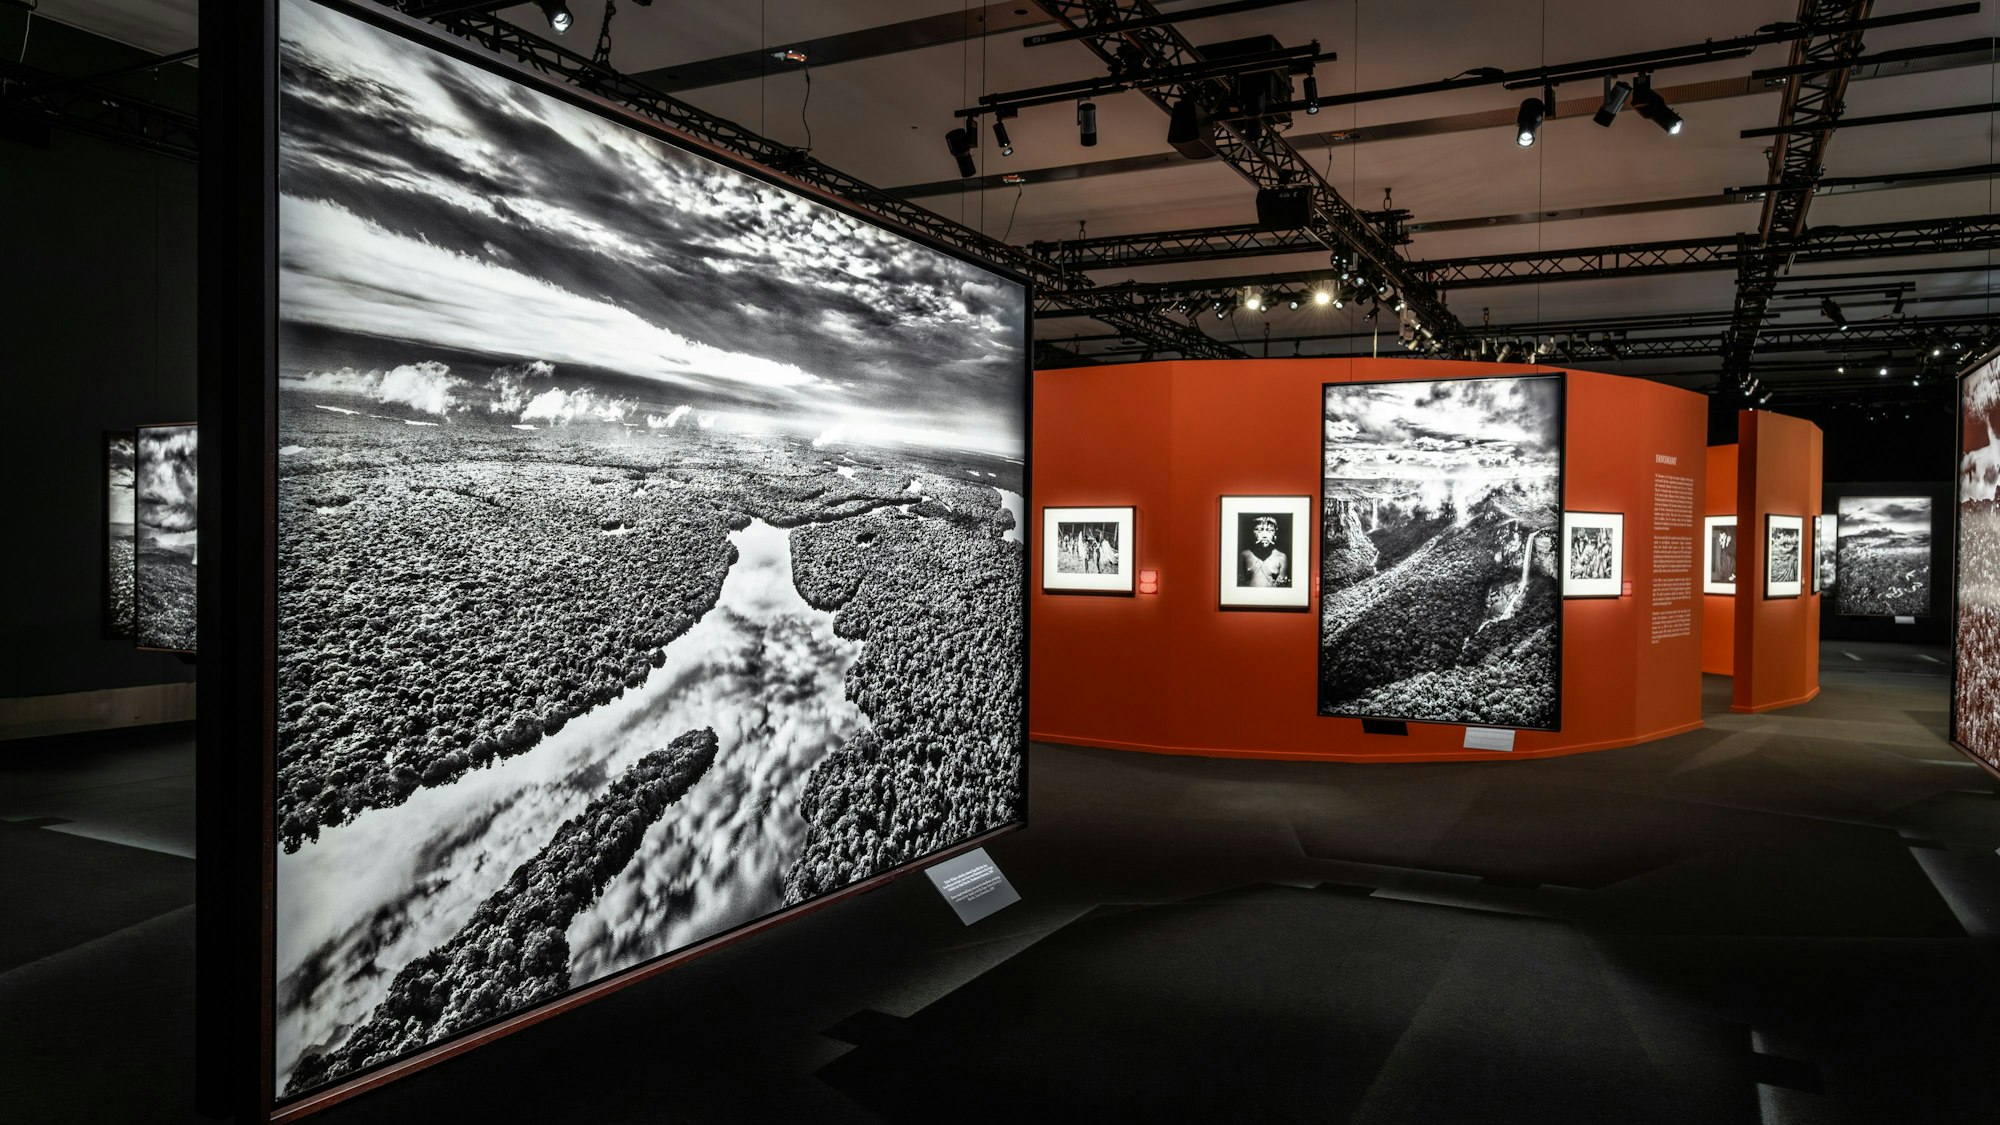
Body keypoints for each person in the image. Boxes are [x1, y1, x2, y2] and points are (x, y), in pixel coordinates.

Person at [1238, 515, 1290, 587]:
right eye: (1259, 530)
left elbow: (1283, 586)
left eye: (1270, 530)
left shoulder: (1281, 558)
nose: (1264, 535)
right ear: (1252, 533)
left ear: (1275, 535)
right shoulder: (1244, 555)